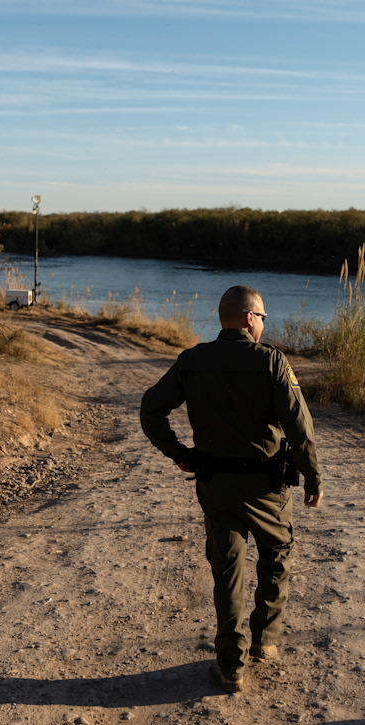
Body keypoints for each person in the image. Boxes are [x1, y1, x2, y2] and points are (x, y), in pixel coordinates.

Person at [141, 285, 323, 694]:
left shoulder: (191, 361)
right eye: (262, 318)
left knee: (227, 572)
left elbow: (150, 410)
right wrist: (313, 478)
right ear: (248, 318)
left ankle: (230, 666)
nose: (262, 325)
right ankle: (264, 641)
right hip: (267, 489)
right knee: (276, 555)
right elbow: (300, 428)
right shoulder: (271, 361)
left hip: (216, 486)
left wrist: (179, 453)